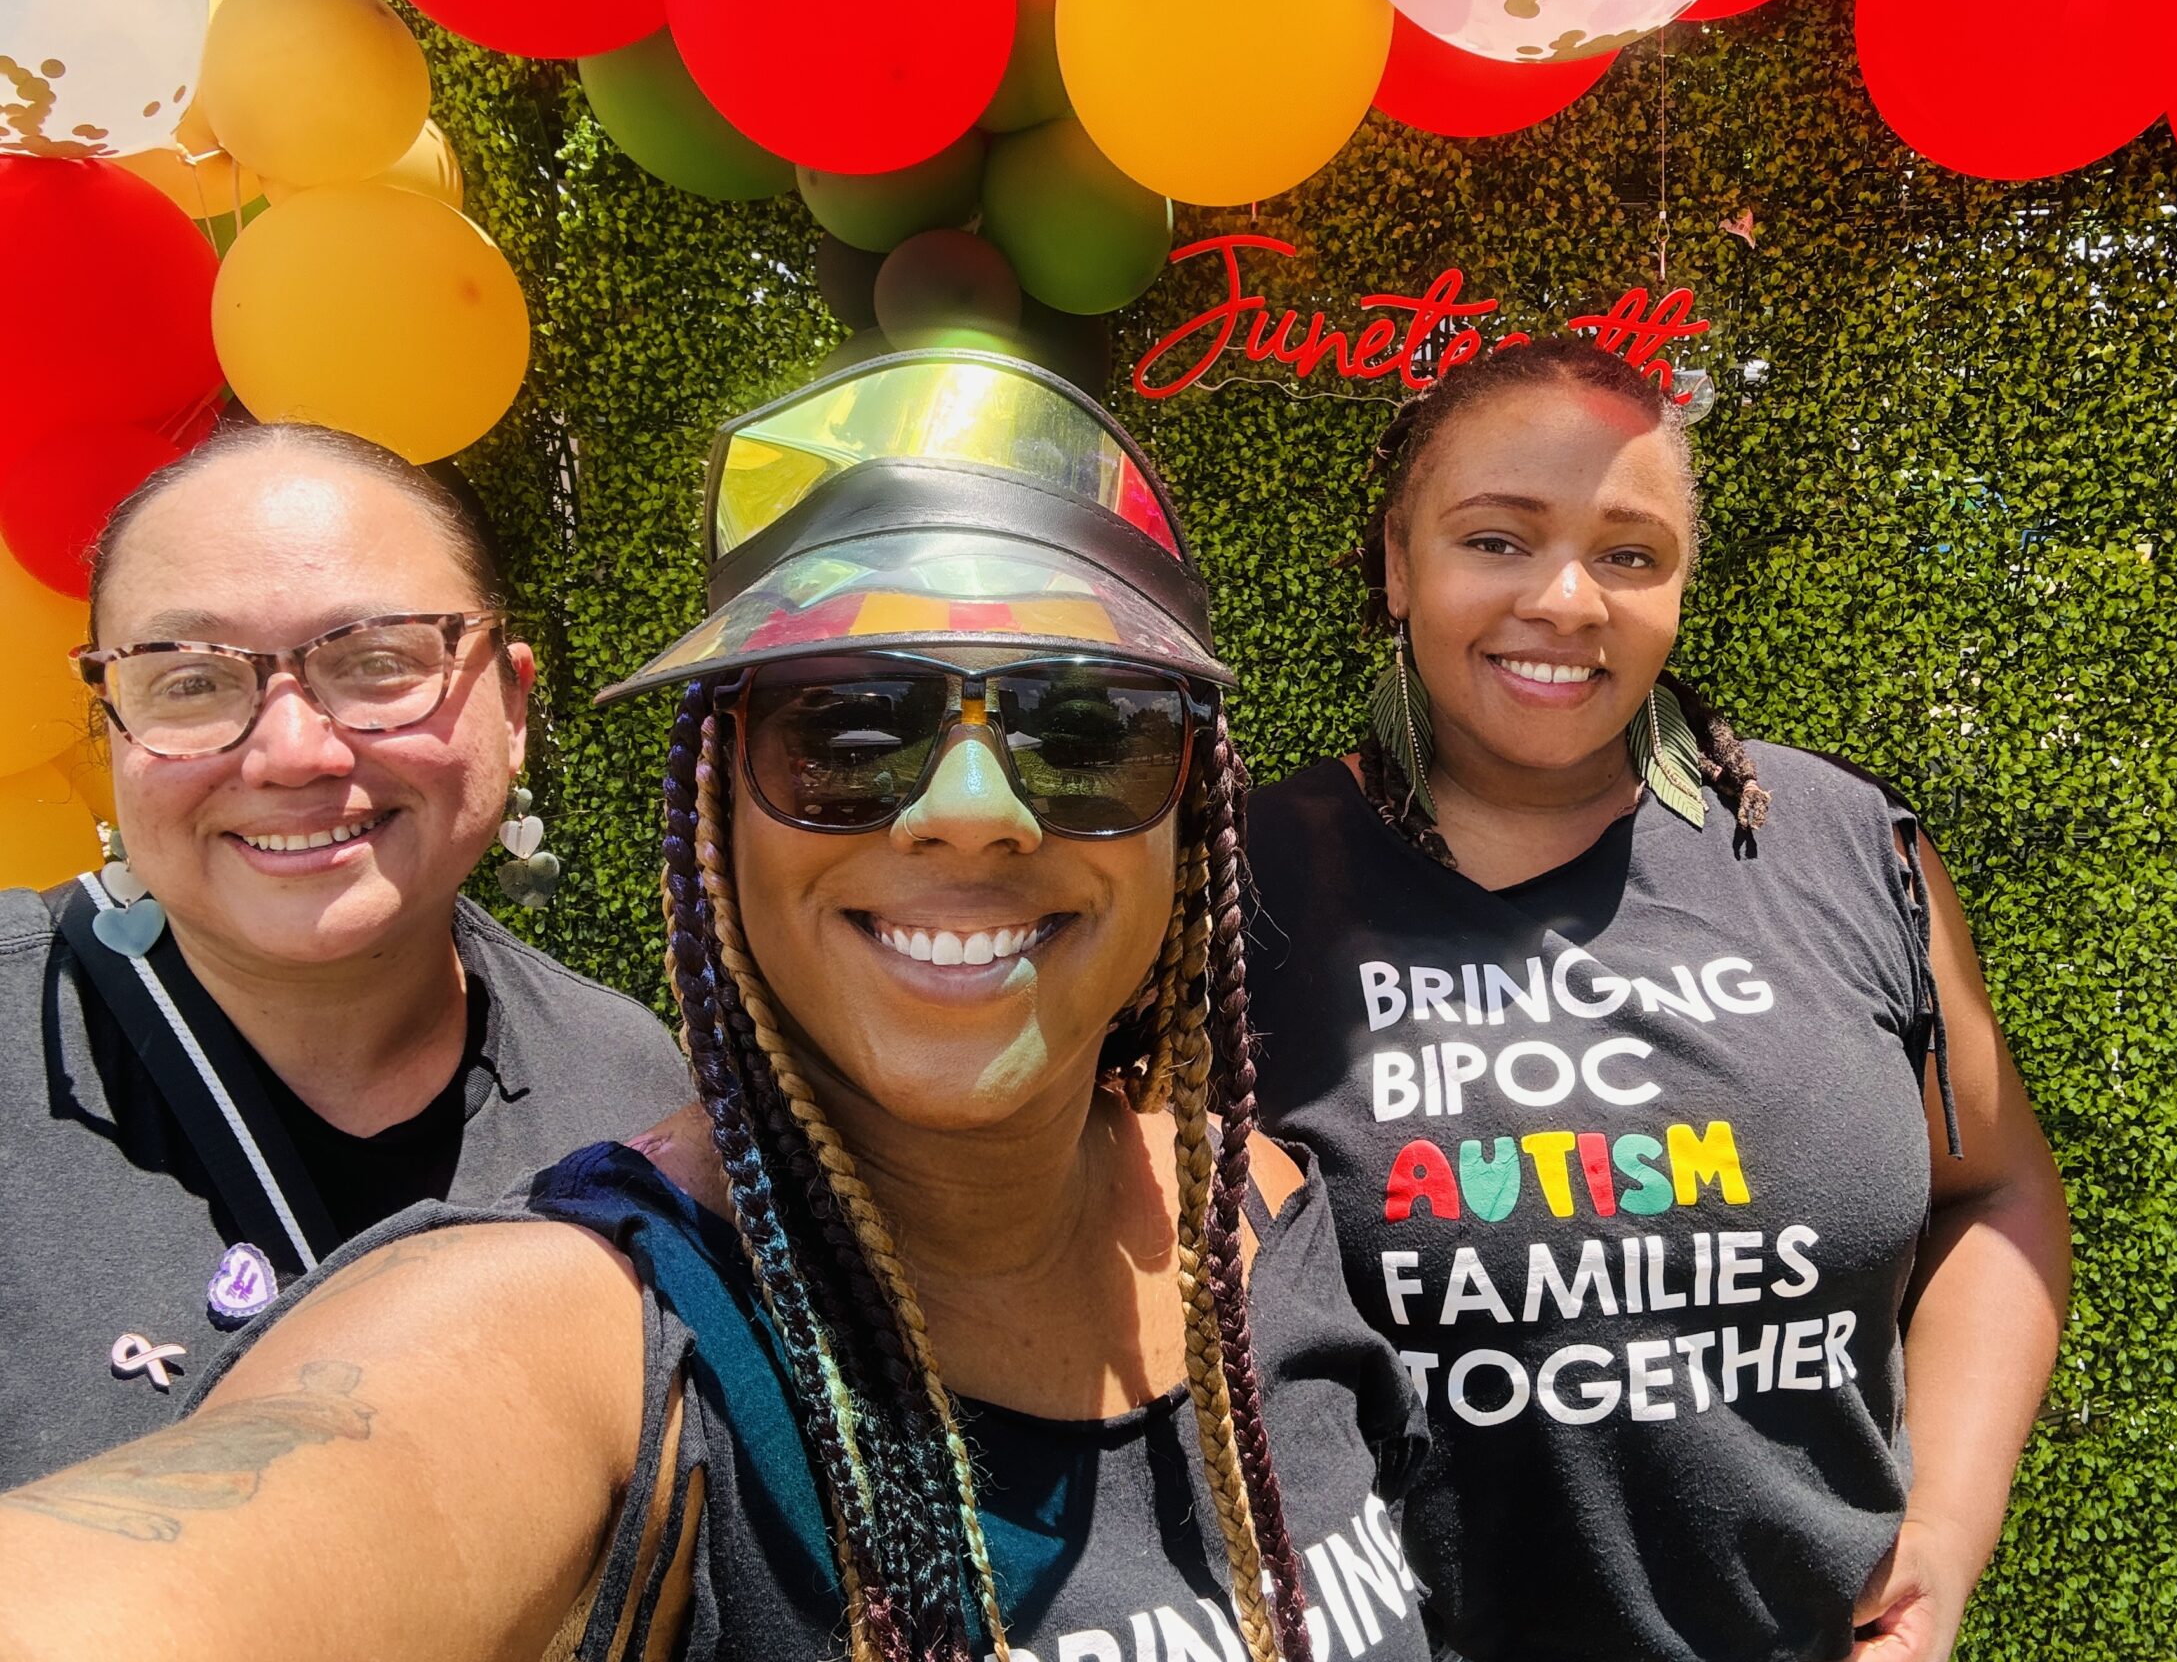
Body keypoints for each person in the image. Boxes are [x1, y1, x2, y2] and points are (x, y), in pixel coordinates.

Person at [0, 351, 1428, 1662]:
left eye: (1086, 729)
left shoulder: (1258, 1209)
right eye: (850, 729)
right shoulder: (599, 1323)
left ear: (1191, 810)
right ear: (713, 809)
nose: (973, 812)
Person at [1244, 337, 2074, 1662]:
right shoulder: (1247, 887)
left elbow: (1998, 1191)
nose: (1568, 599)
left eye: (1629, 554)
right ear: (1400, 563)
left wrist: (1950, 1536)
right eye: (1499, 540)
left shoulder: (1848, 849)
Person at [0, 423, 693, 1486]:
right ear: (110, 728)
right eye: (188, 681)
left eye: (376, 662)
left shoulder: (620, 1084)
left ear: (512, 706)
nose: (292, 753)